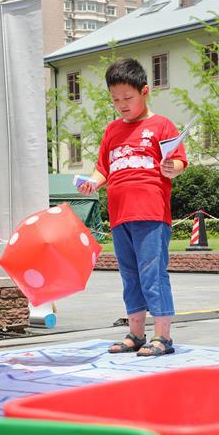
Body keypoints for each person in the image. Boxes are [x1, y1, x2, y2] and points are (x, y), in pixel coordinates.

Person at [76, 58, 187, 356]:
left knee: (153, 273)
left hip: (151, 214)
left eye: (128, 98)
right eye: (115, 99)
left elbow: (178, 162)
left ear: (145, 91)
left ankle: (163, 336)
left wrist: (170, 167)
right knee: (129, 274)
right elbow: (104, 169)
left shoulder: (161, 125)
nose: (122, 104)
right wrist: (92, 183)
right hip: (120, 216)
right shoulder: (112, 131)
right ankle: (136, 333)